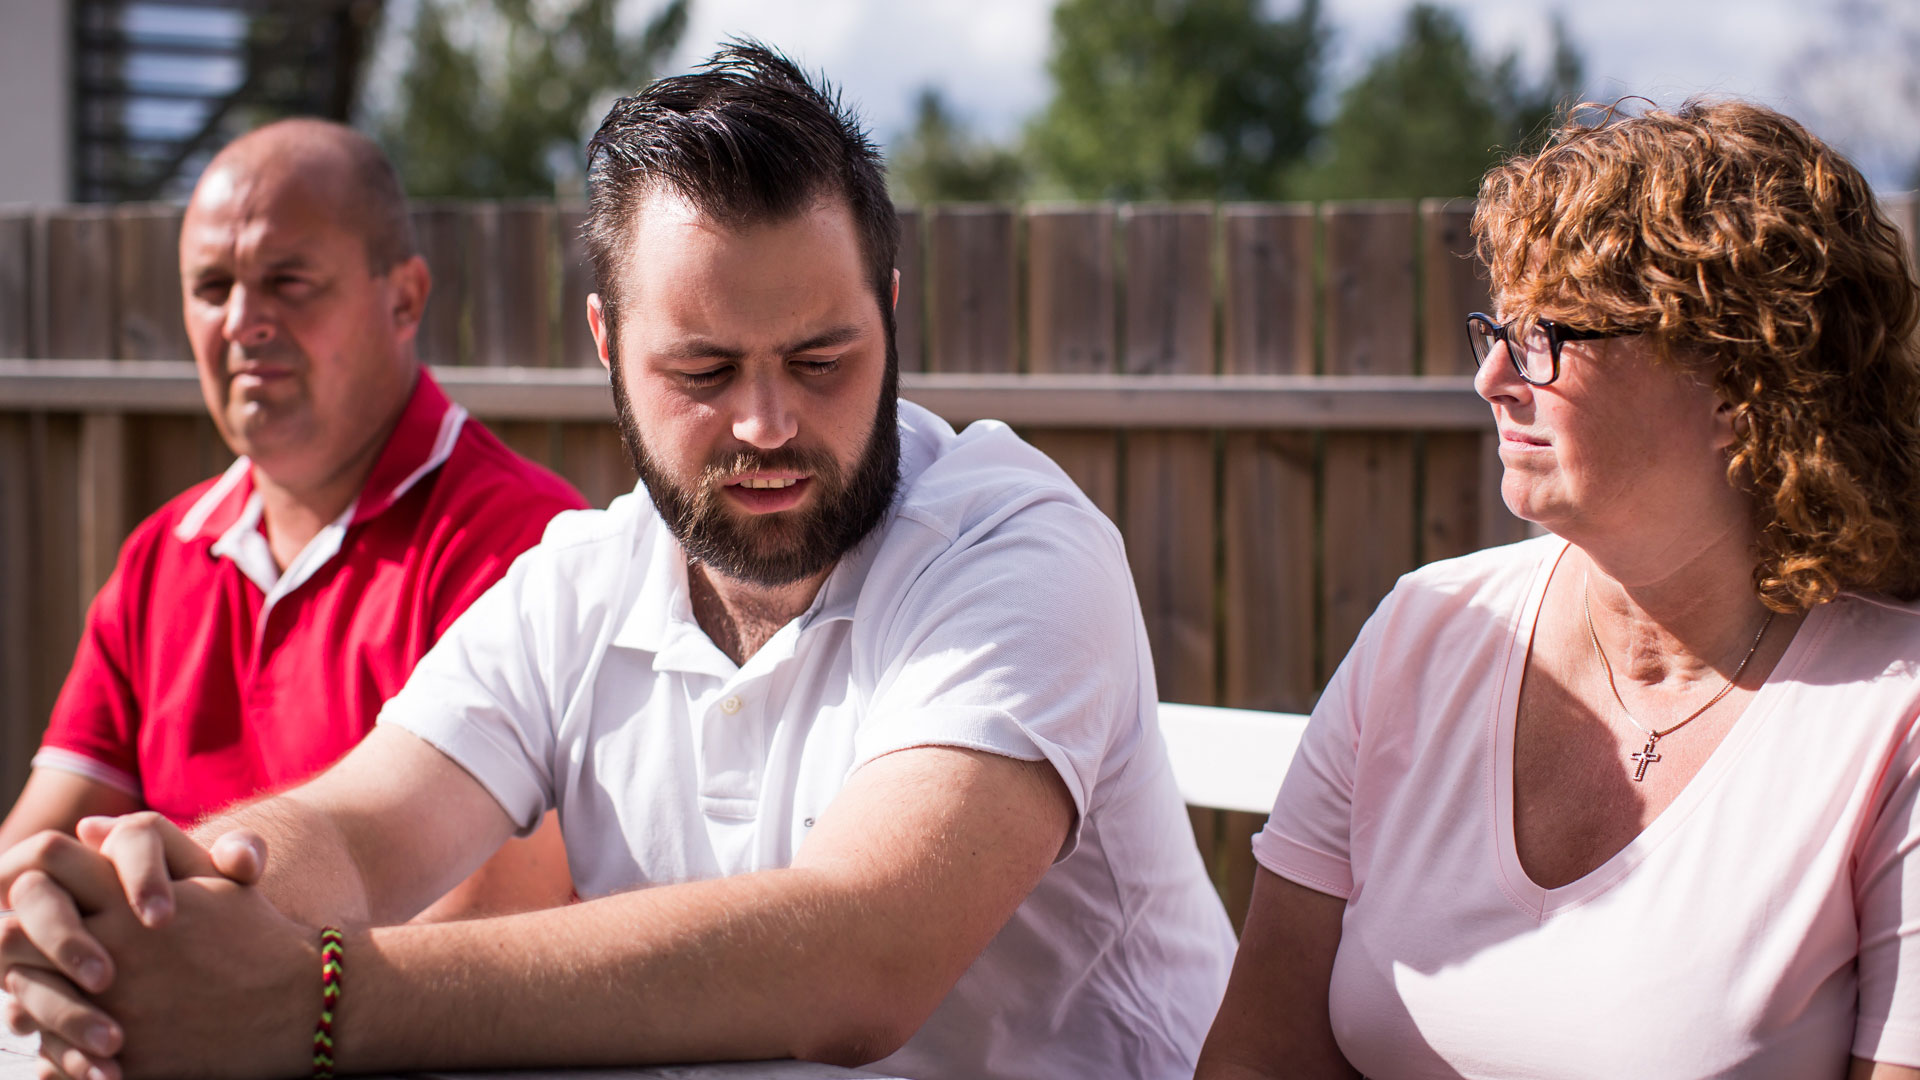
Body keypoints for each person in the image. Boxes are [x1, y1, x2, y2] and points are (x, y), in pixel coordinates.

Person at [0, 44, 1235, 1080]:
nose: (764, 424)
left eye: (821, 360)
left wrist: (317, 998)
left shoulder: (1016, 546)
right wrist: (182, 897)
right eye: (700, 372)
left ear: (892, 315)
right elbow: (368, 830)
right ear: (607, 343)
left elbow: (863, 954)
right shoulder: (579, 581)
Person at [1194, 99, 1920, 1079]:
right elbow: (1256, 1060)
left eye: (1548, 338)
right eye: (1495, 327)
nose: (1493, 376)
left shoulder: (1891, 714)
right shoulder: (1425, 630)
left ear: (1741, 386)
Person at [0, 119, 588, 915]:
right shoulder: (159, 558)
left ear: (405, 298)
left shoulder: (525, 548)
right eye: (212, 287)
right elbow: (35, 854)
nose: (243, 320)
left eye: (289, 281)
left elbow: (489, 926)